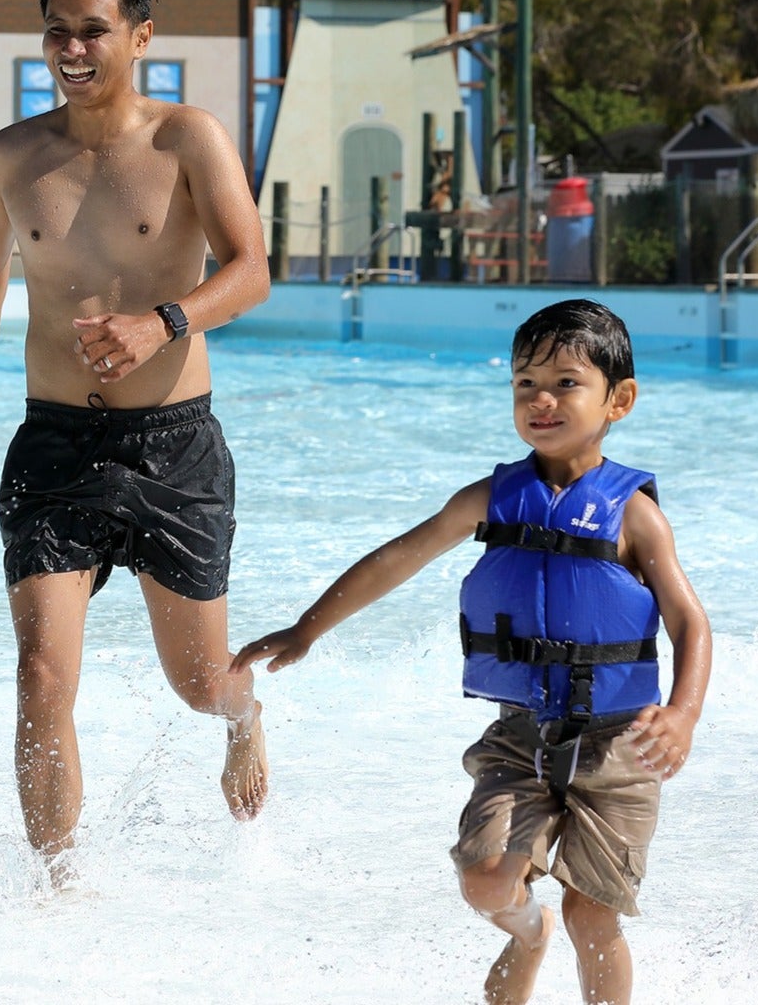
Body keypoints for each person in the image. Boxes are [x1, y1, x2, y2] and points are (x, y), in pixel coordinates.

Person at [232, 299, 713, 1005]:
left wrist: (684, 713)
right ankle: (527, 933)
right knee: (485, 879)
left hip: (619, 748)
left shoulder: (634, 515)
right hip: (523, 735)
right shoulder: (493, 498)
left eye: (565, 383)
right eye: (524, 384)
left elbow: (690, 623)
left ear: (621, 400)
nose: (540, 399)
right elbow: (400, 558)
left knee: (593, 911)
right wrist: (309, 627)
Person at [0, 0, 273, 868]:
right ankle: (55, 891)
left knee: (200, 684)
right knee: (40, 676)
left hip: (173, 446)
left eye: (93, 31)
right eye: (56, 33)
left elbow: (253, 272)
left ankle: (245, 716)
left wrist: (164, 323)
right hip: (55, 444)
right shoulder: (12, 156)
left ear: (141, 35)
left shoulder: (187, 138)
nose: (72, 49)